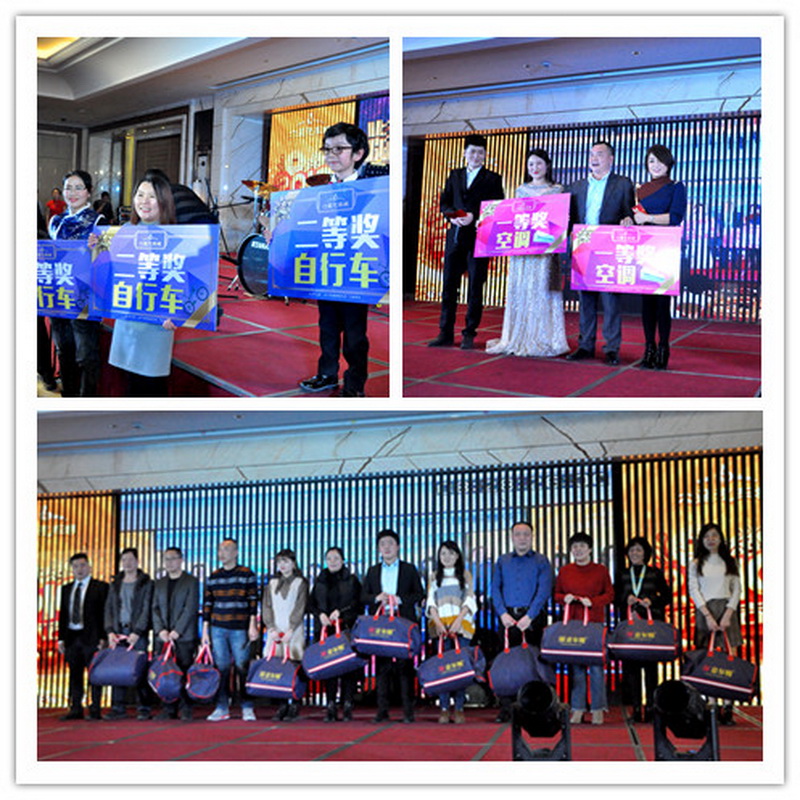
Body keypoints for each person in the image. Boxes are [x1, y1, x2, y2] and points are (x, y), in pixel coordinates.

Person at [296, 122, 385, 397]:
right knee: (327, 326)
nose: (331, 155)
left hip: (357, 271)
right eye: (327, 149)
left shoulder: (375, 189)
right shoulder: (320, 191)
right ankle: (327, 374)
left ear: (358, 154)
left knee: (355, 334)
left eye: (339, 149)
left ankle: (355, 383)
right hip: (327, 269)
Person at [486, 149, 569, 357]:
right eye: (531, 164)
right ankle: (519, 335)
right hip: (523, 251)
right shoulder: (520, 190)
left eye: (539, 163)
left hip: (545, 252)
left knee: (542, 290)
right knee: (523, 290)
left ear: (547, 165)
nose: (535, 168)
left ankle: (544, 336)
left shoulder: (557, 190)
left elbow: (559, 221)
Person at [104, 174, 179, 396]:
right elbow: (109, 272)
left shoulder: (177, 237)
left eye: (152, 196)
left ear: (164, 200)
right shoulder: (125, 231)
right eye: (140, 195)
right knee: (130, 386)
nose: (144, 201)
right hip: (127, 321)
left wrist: (179, 312)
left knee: (152, 387)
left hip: (156, 327)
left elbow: (187, 282)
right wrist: (97, 247)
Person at [429, 133, 505, 350]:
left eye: (480, 152)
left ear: (485, 155)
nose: (476, 156)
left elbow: (497, 207)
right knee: (448, 286)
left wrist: (475, 216)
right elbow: (445, 203)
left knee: (475, 288)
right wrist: (454, 216)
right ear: (464, 153)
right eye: (472, 151)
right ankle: (445, 333)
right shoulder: (455, 175)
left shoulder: (493, 178)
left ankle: (469, 333)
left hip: (479, 239)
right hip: (454, 237)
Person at [566, 141, 635, 366]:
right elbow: (568, 219)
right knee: (585, 300)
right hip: (583, 248)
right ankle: (585, 345)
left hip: (608, 249)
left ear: (611, 159)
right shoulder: (576, 186)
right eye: (592, 154)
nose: (594, 158)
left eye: (600, 154)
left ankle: (611, 348)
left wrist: (628, 219)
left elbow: (629, 213)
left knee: (610, 301)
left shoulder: (623, 183)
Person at [48, 170, 106, 396]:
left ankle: (86, 402)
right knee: (64, 351)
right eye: (68, 188)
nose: (72, 193)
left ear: (89, 192)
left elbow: (107, 262)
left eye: (78, 188)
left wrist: (98, 248)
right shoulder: (56, 221)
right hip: (58, 296)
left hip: (85, 298)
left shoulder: (98, 221)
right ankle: (68, 397)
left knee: (86, 356)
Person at [490, 520, 553, 722]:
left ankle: (533, 708)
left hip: (532, 618)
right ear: (512, 537)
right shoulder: (502, 561)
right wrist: (502, 614)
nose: (522, 538)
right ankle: (507, 709)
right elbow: (495, 589)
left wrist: (530, 616)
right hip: (507, 619)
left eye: (526, 534)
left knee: (533, 664)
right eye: (518, 534)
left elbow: (544, 591)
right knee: (507, 665)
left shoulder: (542, 561)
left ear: (532, 537)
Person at [632, 144, 687, 370]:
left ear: (669, 163)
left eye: (660, 161)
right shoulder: (639, 189)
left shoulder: (676, 186)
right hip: (644, 249)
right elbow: (633, 217)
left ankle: (663, 348)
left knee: (663, 302)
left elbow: (675, 218)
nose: (655, 165)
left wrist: (649, 219)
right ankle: (649, 348)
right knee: (646, 303)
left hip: (666, 250)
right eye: (651, 161)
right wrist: (629, 220)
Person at [361, 529, 424, 723]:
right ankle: (382, 710)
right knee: (382, 668)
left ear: (398, 546)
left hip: (402, 624)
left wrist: (400, 599)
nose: (387, 547)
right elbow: (363, 596)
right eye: (382, 544)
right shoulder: (372, 571)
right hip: (381, 625)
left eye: (390, 543)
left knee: (405, 668)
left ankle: (408, 711)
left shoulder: (409, 569)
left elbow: (419, 594)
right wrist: (376, 598)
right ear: (378, 549)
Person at [554, 532, 614, 725]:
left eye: (581, 546)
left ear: (590, 549)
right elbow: (556, 594)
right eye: (574, 547)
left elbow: (610, 595)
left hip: (595, 624)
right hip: (573, 624)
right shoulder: (565, 571)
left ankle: (598, 709)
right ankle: (577, 708)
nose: (578, 550)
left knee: (596, 668)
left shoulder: (601, 570)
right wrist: (564, 598)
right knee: (577, 668)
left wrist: (593, 601)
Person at [688, 522, 742, 725]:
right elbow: (694, 590)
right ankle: (711, 705)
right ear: (701, 540)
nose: (711, 539)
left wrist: (728, 613)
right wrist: (708, 616)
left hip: (728, 610)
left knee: (730, 658)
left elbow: (737, 589)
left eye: (714, 535)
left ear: (720, 539)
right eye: (707, 536)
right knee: (708, 659)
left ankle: (728, 706)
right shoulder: (696, 563)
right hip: (706, 611)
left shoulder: (730, 562)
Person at [614, 536, 672, 722]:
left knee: (651, 668)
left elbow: (667, 596)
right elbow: (615, 598)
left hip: (650, 626)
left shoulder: (655, 573)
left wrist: (651, 601)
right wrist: (626, 600)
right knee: (631, 669)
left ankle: (652, 708)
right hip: (630, 626)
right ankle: (636, 708)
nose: (635, 553)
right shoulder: (623, 573)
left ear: (646, 553)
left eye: (639, 550)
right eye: (632, 550)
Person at [202, 538, 260, 722]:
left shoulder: (247, 574)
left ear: (236, 552)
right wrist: (205, 630)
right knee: (222, 668)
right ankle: (221, 707)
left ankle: (247, 707)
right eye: (220, 549)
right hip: (217, 628)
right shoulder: (214, 576)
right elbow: (207, 604)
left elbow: (253, 601)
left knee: (243, 667)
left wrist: (253, 624)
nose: (222, 553)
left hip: (240, 628)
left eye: (226, 549)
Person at [426, 540, 477, 724]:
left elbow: (470, 600)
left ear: (457, 556)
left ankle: (460, 708)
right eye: (443, 554)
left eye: (451, 553)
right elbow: (430, 601)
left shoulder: (465, 575)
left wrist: (458, 621)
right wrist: (438, 623)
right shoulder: (434, 576)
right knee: (443, 669)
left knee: (460, 668)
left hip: (460, 627)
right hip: (441, 628)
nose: (447, 557)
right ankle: (444, 708)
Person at [309, 546, 363, 722]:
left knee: (347, 667)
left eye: (336, 558)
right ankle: (331, 705)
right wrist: (320, 614)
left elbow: (358, 604)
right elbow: (311, 604)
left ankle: (347, 704)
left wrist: (341, 613)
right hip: (326, 630)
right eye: (329, 559)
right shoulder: (320, 580)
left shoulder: (352, 580)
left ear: (343, 560)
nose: (332, 562)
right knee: (329, 667)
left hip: (346, 629)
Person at [103, 548, 154, 721]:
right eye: (124, 560)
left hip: (137, 634)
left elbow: (146, 608)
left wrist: (138, 631)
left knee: (139, 669)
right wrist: (110, 631)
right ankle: (118, 707)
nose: (127, 563)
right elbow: (109, 608)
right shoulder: (115, 583)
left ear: (137, 561)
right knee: (117, 670)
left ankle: (144, 707)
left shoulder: (146, 583)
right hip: (118, 633)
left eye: (131, 559)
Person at [56, 553, 109, 721]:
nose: (79, 569)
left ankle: (95, 708)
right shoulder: (66, 589)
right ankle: (76, 708)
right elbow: (63, 615)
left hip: (92, 637)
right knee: (74, 674)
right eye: (76, 566)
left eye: (83, 565)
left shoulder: (100, 587)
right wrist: (61, 638)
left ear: (89, 567)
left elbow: (105, 614)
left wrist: (103, 637)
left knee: (94, 673)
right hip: (72, 637)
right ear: (71, 569)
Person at [151, 546, 199, 721]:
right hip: (163, 636)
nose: (169, 562)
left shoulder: (191, 581)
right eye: (166, 559)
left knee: (184, 671)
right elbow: (154, 608)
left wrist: (177, 630)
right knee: (165, 672)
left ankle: (185, 708)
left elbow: (190, 608)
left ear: (181, 560)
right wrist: (160, 630)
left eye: (173, 558)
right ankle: (168, 708)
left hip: (183, 636)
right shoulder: (159, 583)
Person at [262, 548, 309, 721]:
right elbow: (266, 606)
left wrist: (291, 629)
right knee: (278, 667)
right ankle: (281, 704)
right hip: (275, 632)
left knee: (295, 665)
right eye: (279, 561)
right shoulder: (272, 583)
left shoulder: (300, 582)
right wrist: (271, 628)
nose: (282, 565)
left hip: (293, 631)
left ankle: (294, 703)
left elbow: (300, 607)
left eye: (286, 561)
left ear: (294, 564)